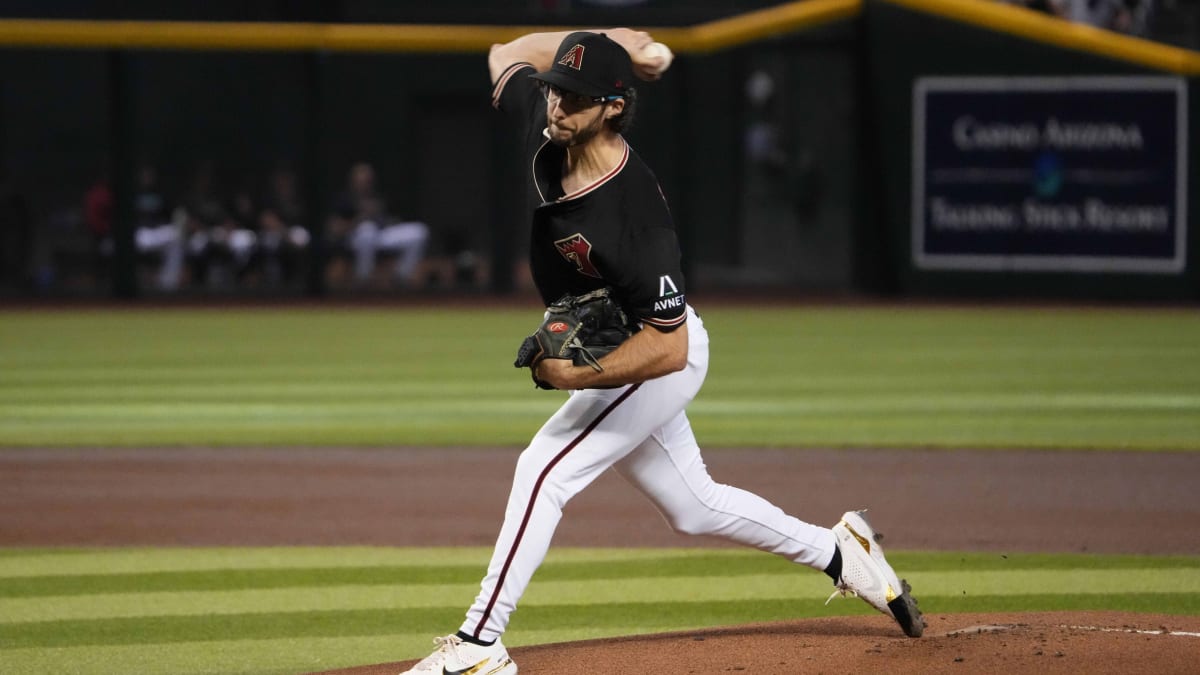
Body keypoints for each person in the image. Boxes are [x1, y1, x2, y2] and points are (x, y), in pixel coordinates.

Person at [400, 29, 924, 675]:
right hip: (625, 347)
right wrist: (618, 40)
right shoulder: (550, 117)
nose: (556, 106)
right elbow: (504, 53)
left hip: (654, 351)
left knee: (543, 469)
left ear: (613, 107)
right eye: (555, 90)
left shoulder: (636, 219)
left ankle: (481, 644)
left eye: (575, 97)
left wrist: (572, 372)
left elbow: (670, 347)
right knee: (693, 506)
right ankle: (842, 551)